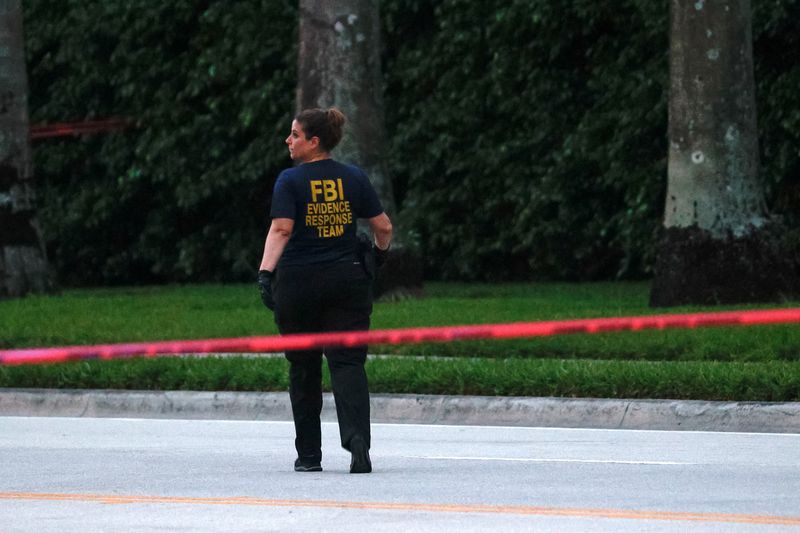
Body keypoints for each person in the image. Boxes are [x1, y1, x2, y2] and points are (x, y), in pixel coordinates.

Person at [257, 107, 392, 474]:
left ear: (313, 142)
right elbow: (383, 227)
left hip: (299, 285)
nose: (289, 140)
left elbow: (281, 230)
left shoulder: (289, 181)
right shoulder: (354, 178)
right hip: (347, 282)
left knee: (303, 366)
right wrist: (378, 259)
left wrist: (266, 273)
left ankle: (309, 455)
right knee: (348, 363)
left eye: (295, 135)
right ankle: (357, 443)